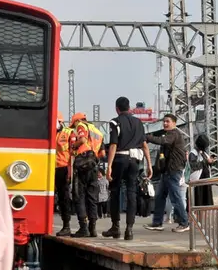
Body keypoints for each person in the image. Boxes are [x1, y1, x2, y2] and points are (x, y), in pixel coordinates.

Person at [105, 97, 151, 240]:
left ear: (117, 108)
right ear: (129, 107)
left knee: (115, 191)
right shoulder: (138, 123)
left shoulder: (115, 122)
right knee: (131, 193)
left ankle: (115, 227)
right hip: (135, 161)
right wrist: (149, 164)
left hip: (120, 158)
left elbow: (113, 144)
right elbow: (144, 145)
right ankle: (129, 230)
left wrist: (109, 166)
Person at [145, 113, 191, 233]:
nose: (165, 123)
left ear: (174, 123)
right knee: (160, 196)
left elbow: (163, 141)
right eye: (164, 121)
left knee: (175, 197)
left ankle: (184, 222)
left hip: (174, 170)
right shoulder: (169, 134)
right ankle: (157, 223)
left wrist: (148, 138)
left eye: (168, 121)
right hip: (167, 172)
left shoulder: (174, 134)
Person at [67, 113, 105, 238]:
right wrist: (92, 160)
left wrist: (74, 145)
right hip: (93, 166)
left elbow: (82, 139)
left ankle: (83, 228)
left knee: (79, 196)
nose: (74, 127)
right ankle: (92, 228)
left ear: (77, 121)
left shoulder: (81, 126)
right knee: (92, 198)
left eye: (74, 124)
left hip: (82, 165)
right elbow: (102, 153)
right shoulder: (98, 131)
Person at [53, 116, 74, 236]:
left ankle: (66, 226)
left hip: (63, 168)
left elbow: (72, 153)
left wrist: (70, 171)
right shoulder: (49, 132)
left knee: (63, 197)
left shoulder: (68, 133)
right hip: (50, 167)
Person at [189, 134, 218, 208]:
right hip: (198, 181)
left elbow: (206, 165)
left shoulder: (204, 153)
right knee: (199, 202)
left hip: (206, 181)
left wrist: (210, 162)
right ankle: (198, 218)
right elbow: (193, 166)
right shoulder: (193, 153)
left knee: (206, 203)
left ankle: (203, 218)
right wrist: (205, 162)